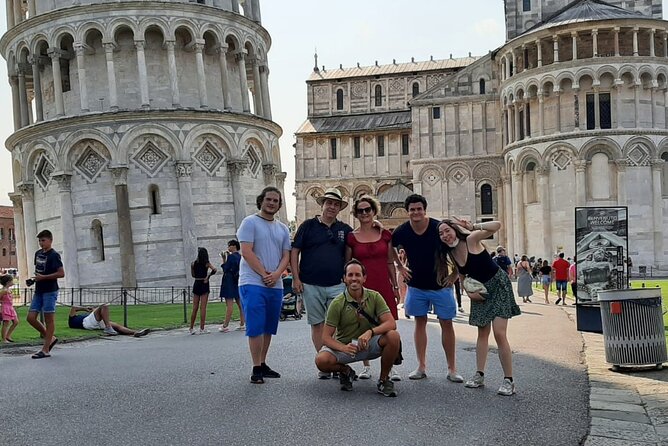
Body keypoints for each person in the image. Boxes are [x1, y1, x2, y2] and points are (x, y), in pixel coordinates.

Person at [436, 217, 521, 396]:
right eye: (441, 233)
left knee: (499, 333)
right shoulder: (451, 253)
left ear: (455, 229)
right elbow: (462, 275)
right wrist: (468, 292)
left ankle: (509, 380)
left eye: (447, 230)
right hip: (480, 291)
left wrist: (472, 226)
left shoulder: (471, 239)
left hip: (498, 285)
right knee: (482, 332)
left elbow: (497, 225)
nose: (445, 235)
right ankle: (479, 375)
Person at [391, 194, 462, 382]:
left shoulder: (438, 227)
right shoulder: (402, 231)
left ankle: (452, 369)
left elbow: (457, 247)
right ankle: (421, 367)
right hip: (416, 286)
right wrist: (399, 265)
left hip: (440, 285)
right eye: (412, 210)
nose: (416, 212)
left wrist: (455, 274)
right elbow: (388, 244)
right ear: (408, 212)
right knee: (419, 323)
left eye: (419, 209)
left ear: (424, 210)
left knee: (447, 323)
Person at [291, 187, 353, 379]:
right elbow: (294, 252)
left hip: (336, 284)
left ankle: (336, 360)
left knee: (337, 325)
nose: (332, 207)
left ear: (340, 208)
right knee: (317, 324)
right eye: (329, 203)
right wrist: (296, 278)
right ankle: (324, 363)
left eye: (336, 204)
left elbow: (349, 255)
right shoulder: (307, 226)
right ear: (323, 205)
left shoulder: (344, 229)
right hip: (311, 284)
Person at [315, 259, 401, 397]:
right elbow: (325, 337)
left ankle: (383, 380)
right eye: (350, 275)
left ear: (364, 278)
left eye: (357, 275)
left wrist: (370, 332)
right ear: (344, 279)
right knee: (321, 360)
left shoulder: (375, 296)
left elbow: (391, 323)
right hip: (346, 346)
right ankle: (346, 371)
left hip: (369, 343)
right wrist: (343, 348)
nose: (354, 278)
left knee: (393, 336)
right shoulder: (337, 303)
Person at [237, 186, 291, 384]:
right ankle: (255, 367)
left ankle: (263, 362)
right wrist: (264, 273)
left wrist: (276, 274)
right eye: (268, 199)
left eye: (276, 201)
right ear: (261, 200)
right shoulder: (249, 222)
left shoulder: (283, 228)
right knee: (256, 326)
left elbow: (286, 254)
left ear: (279, 205)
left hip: (275, 284)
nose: (271, 203)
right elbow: (246, 251)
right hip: (252, 281)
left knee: (269, 326)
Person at [345, 195, 401, 381]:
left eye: (367, 210)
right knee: (362, 324)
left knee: (389, 326)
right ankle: (366, 366)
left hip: (383, 285)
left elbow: (390, 261)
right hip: (363, 287)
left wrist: (395, 286)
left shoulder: (385, 234)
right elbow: (348, 265)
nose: (364, 213)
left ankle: (390, 368)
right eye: (360, 211)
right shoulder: (351, 237)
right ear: (356, 214)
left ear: (374, 211)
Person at [27, 230, 65, 359]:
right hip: (39, 290)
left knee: (49, 319)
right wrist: (33, 279)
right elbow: (39, 272)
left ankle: (46, 349)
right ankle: (51, 338)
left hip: (50, 290)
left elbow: (61, 273)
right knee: (31, 318)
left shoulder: (54, 255)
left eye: (43, 240)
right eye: (40, 241)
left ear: (50, 240)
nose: (41, 243)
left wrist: (44, 277)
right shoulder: (38, 254)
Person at [68, 305, 149, 337]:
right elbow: (74, 308)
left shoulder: (87, 318)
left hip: (95, 323)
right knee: (104, 306)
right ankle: (108, 328)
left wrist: (92, 310)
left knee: (117, 326)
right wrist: (85, 308)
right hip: (87, 323)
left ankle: (135, 332)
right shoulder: (72, 319)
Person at [219, 240, 245, 333]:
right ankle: (242, 323)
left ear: (234, 246)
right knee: (240, 304)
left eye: (229, 245)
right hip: (237, 281)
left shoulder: (230, 257)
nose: (228, 247)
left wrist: (224, 259)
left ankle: (225, 325)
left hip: (229, 282)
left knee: (229, 304)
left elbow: (226, 269)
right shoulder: (240, 257)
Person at [189, 247, 217, 335]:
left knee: (195, 307)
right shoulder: (207, 263)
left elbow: (193, 275)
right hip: (204, 283)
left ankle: (191, 327)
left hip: (197, 282)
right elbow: (214, 269)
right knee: (203, 307)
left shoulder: (193, 263)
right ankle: (202, 328)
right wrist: (208, 276)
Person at [1, 275, 18, 342]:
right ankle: (4, 339)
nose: (13, 282)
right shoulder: (4, 291)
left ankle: (8, 335)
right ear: (8, 282)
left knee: (16, 322)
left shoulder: (9, 290)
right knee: (6, 323)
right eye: (12, 280)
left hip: (11, 308)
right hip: (5, 308)